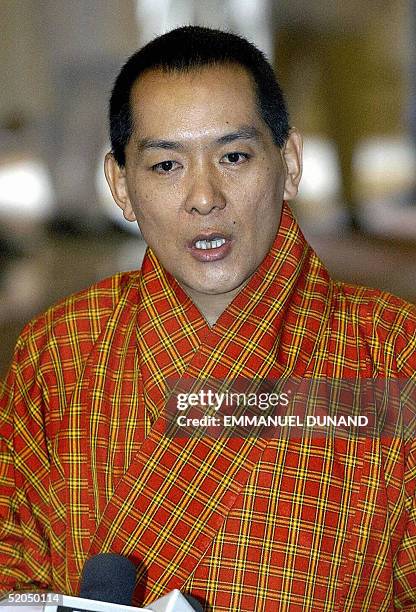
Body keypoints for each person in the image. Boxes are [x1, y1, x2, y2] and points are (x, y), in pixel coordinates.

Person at [0, 25, 415, 612]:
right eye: (166, 165)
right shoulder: (59, 348)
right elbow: (12, 563)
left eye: (234, 156)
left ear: (290, 164)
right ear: (120, 185)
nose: (203, 196)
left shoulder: (395, 355)